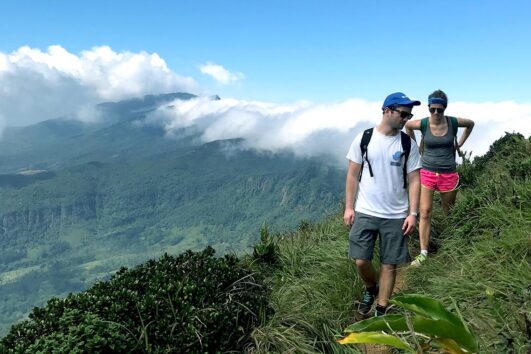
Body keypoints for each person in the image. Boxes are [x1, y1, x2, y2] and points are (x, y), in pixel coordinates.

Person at [344, 92, 421, 317]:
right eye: (403, 114)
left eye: (409, 115)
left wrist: (413, 213)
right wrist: (349, 207)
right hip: (366, 210)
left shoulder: (408, 143)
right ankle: (370, 288)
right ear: (387, 111)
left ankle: (381, 308)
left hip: (396, 214)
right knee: (361, 260)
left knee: (389, 263)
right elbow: (352, 175)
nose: (406, 119)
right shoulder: (364, 138)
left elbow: (415, 179)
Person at [405, 90, 475, 266]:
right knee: (426, 212)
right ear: (429, 108)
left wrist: (459, 143)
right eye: (433, 109)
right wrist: (414, 146)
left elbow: (471, 123)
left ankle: (450, 245)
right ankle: (423, 253)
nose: (436, 113)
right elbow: (408, 126)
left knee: (448, 213)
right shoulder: (423, 124)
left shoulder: (452, 122)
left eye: (439, 110)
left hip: (449, 173)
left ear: (445, 109)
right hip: (427, 171)